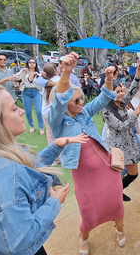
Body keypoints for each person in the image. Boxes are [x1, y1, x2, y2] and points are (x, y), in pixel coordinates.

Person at [0, 85, 86, 255]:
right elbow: (21, 240)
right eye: (13, 108)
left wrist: (54, 147)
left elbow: (25, 167)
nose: (21, 111)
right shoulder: (5, 178)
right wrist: (53, 202)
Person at [48, 53, 126, 254]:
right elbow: (58, 101)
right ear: (66, 103)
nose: (81, 102)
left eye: (81, 98)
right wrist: (66, 72)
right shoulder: (58, 121)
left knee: (116, 202)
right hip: (84, 174)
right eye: (76, 100)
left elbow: (101, 99)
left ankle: (120, 229)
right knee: (89, 212)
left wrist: (108, 79)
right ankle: (83, 236)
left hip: (106, 167)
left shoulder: (84, 112)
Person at [103, 60, 140, 201]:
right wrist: (137, 112)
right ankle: (113, 196)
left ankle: (117, 191)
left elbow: (134, 88)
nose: (122, 93)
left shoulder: (122, 102)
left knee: (133, 174)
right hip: (116, 146)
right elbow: (122, 127)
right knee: (116, 175)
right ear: (110, 94)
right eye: (118, 92)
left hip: (128, 143)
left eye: (122, 90)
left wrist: (139, 70)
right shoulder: (106, 110)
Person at [15, 59, 44, 135]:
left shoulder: (38, 72)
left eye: (33, 62)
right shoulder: (24, 72)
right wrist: (21, 71)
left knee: (38, 111)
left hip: (36, 91)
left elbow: (44, 78)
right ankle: (31, 126)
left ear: (35, 64)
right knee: (27, 111)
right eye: (30, 62)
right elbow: (16, 77)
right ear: (27, 63)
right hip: (26, 91)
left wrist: (38, 75)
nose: (32, 64)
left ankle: (41, 127)